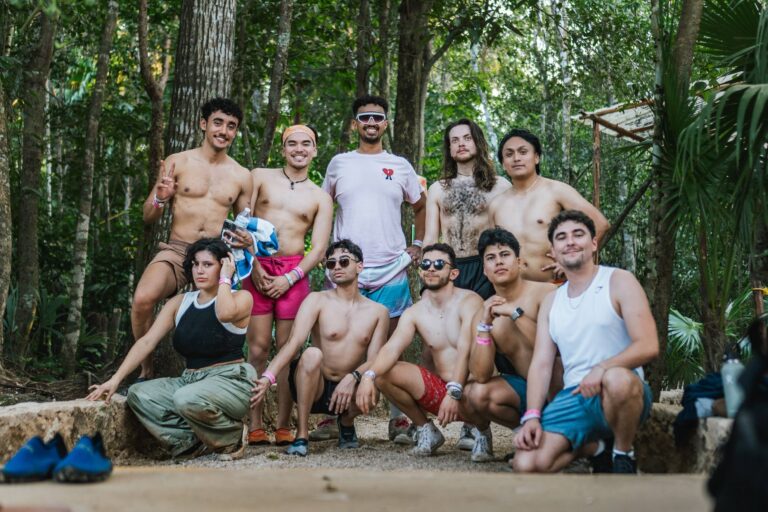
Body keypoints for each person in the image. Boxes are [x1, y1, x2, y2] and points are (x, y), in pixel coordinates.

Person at [513, 210, 659, 474]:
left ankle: (623, 453)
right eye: (561, 237)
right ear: (553, 252)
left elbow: (648, 345)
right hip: (575, 395)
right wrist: (532, 415)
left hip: (620, 392)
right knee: (527, 464)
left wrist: (602, 368)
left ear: (593, 243)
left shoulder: (619, 280)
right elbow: (542, 364)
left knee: (617, 379)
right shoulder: (551, 301)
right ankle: (596, 448)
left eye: (578, 234)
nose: (570, 241)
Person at [87, 238, 255, 460]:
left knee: (186, 398)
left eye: (208, 264)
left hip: (231, 381)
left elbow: (224, 313)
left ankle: (231, 436)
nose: (199, 270)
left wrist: (226, 277)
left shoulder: (241, 298)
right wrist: (115, 379)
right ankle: (189, 441)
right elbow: (147, 342)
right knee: (139, 394)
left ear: (224, 264)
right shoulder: (180, 302)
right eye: (195, 264)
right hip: (190, 380)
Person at [320, 94, 427, 443]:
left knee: (392, 345)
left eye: (377, 118)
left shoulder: (400, 166)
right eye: (364, 117)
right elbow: (322, 209)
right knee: (337, 346)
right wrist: (322, 252)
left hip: (391, 267)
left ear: (385, 123)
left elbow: (421, 205)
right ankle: (332, 417)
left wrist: (419, 245)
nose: (370, 122)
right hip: (343, 268)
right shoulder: (338, 164)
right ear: (355, 124)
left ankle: (398, 419)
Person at [131, 98, 252, 381]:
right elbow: (148, 215)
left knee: (225, 316)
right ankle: (145, 370)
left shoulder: (242, 176)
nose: (224, 131)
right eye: (218, 123)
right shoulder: (177, 162)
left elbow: (245, 223)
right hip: (178, 250)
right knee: (142, 300)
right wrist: (161, 198)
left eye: (231, 126)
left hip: (216, 257)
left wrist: (246, 239)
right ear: (203, 124)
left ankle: (216, 377)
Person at [233, 125, 332, 447]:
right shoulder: (260, 176)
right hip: (256, 265)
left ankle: (286, 423)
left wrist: (290, 277)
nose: (299, 149)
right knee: (259, 348)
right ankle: (256, 423)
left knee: (288, 352)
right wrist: (255, 265)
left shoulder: (321, 196)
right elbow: (241, 221)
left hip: (294, 273)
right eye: (292, 143)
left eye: (306, 144)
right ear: (283, 148)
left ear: (315, 150)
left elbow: (317, 248)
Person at [250, 240, 389, 456]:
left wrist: (353, 377)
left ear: (360, 266)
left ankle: (346, 421)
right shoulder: (316, 300)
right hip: (316, 386)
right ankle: (302, 434)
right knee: (312, 354)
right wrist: (268, 376)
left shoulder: (378, 312)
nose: (337, 267)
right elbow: (294, 342)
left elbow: (374, 359)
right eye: (331, 264)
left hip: (349, 388)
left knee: (375, 379)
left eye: (344, 261)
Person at [356, 244, 484, 457]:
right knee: (383, 373)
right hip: (440, 392)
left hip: (473, 392)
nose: (431, 268)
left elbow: (466, 349)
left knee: (483, 390)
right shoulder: (415, 312)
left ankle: (481, 431)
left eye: (439, 264)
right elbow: (392, 348)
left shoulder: (470, 301)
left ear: (453, 273)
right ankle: (426, 429)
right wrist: (368, 377)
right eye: (426, 264)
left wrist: (455, 391)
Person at [461, 228, 559, 461]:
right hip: (527, 391)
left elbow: (555, 348)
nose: (499, 262)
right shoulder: (485, 311)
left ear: (519, 262)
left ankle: (563, 436)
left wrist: (515, 314)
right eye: (491, 258)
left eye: (504, 255)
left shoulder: (547, 293)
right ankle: (529, 435)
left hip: (562, 388)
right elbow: (481, 374)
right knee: (474, 393)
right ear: (484, 270)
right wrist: (485, 325)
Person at [489, 129, 609, 283]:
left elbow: (600, 224)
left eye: (523, 152)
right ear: (503, 164)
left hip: (555, 286)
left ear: (536, 157)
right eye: (509, 154)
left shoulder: (556, 191)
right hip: (515, 292)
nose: (516, 158)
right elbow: (492, 249)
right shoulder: (496, 205)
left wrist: (572, 261)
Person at [424, 119, 511, 299]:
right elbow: (431, 237)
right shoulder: (437, 189)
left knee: (485, 322)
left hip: (486, 266)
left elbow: (510, 235)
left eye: (467, 138)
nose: (461, 143)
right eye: (454, 140)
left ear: (477, 142)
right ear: (449, 148)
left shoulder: (500, 186)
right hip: (448, 266)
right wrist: (427, 269)